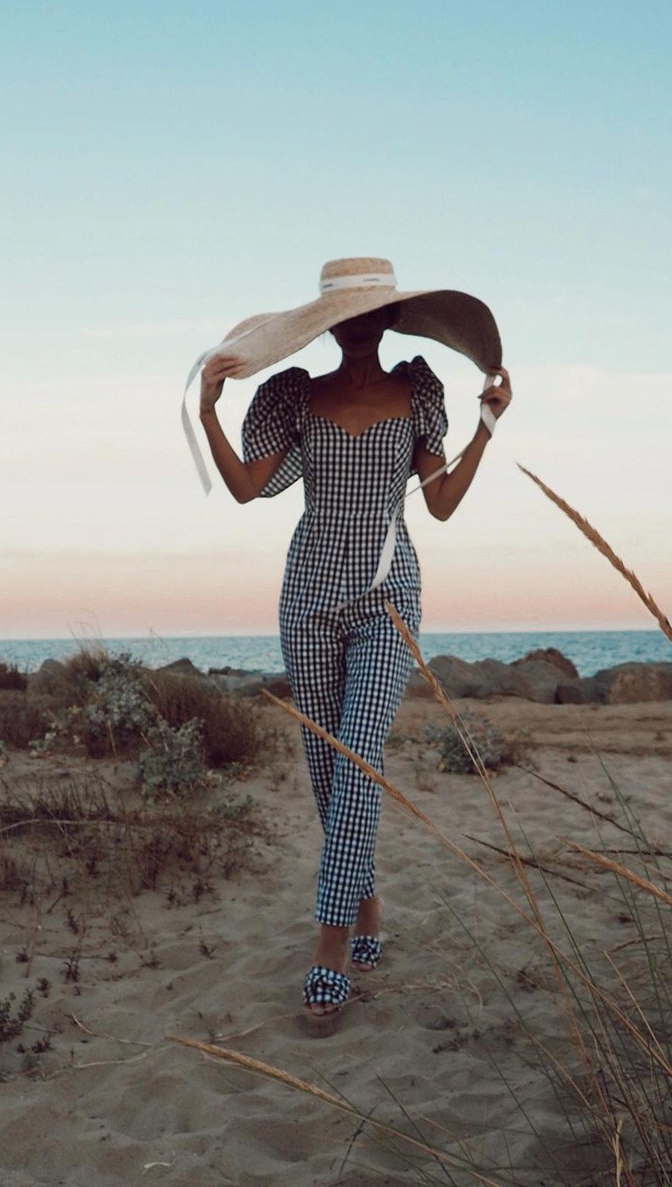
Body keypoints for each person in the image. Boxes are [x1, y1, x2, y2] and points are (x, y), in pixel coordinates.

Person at [188, 257, 511, 1032]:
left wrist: (486, 427)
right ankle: (365, 907)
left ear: (391, 318)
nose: (359, 328)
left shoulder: (417, 391)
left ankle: (329, 945)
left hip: (387, 598)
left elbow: (440, 504)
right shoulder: (294, 395)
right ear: (328, 326)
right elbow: (246, 488)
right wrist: (207, 415)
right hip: (307, 599)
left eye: (372, 314)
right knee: (328, 768)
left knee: (361, 755)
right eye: (346, 317)